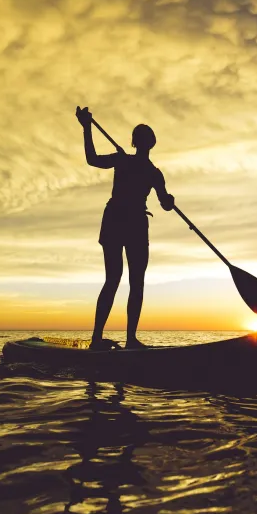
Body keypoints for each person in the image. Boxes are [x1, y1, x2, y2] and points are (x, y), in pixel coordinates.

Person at [76, 106, 175, 349]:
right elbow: (92, 159)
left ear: (151, 143)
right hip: (116, 220)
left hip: (137, 225)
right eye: (140, 138)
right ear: (137, 142)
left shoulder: (154, 173)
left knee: (136, 282)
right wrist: (87, 128)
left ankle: (130, 339)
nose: (143, 141)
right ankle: (97, 339)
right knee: (114, 279)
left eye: (146, 137)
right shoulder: (122, 160)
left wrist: (169, 201)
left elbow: (164, 203)